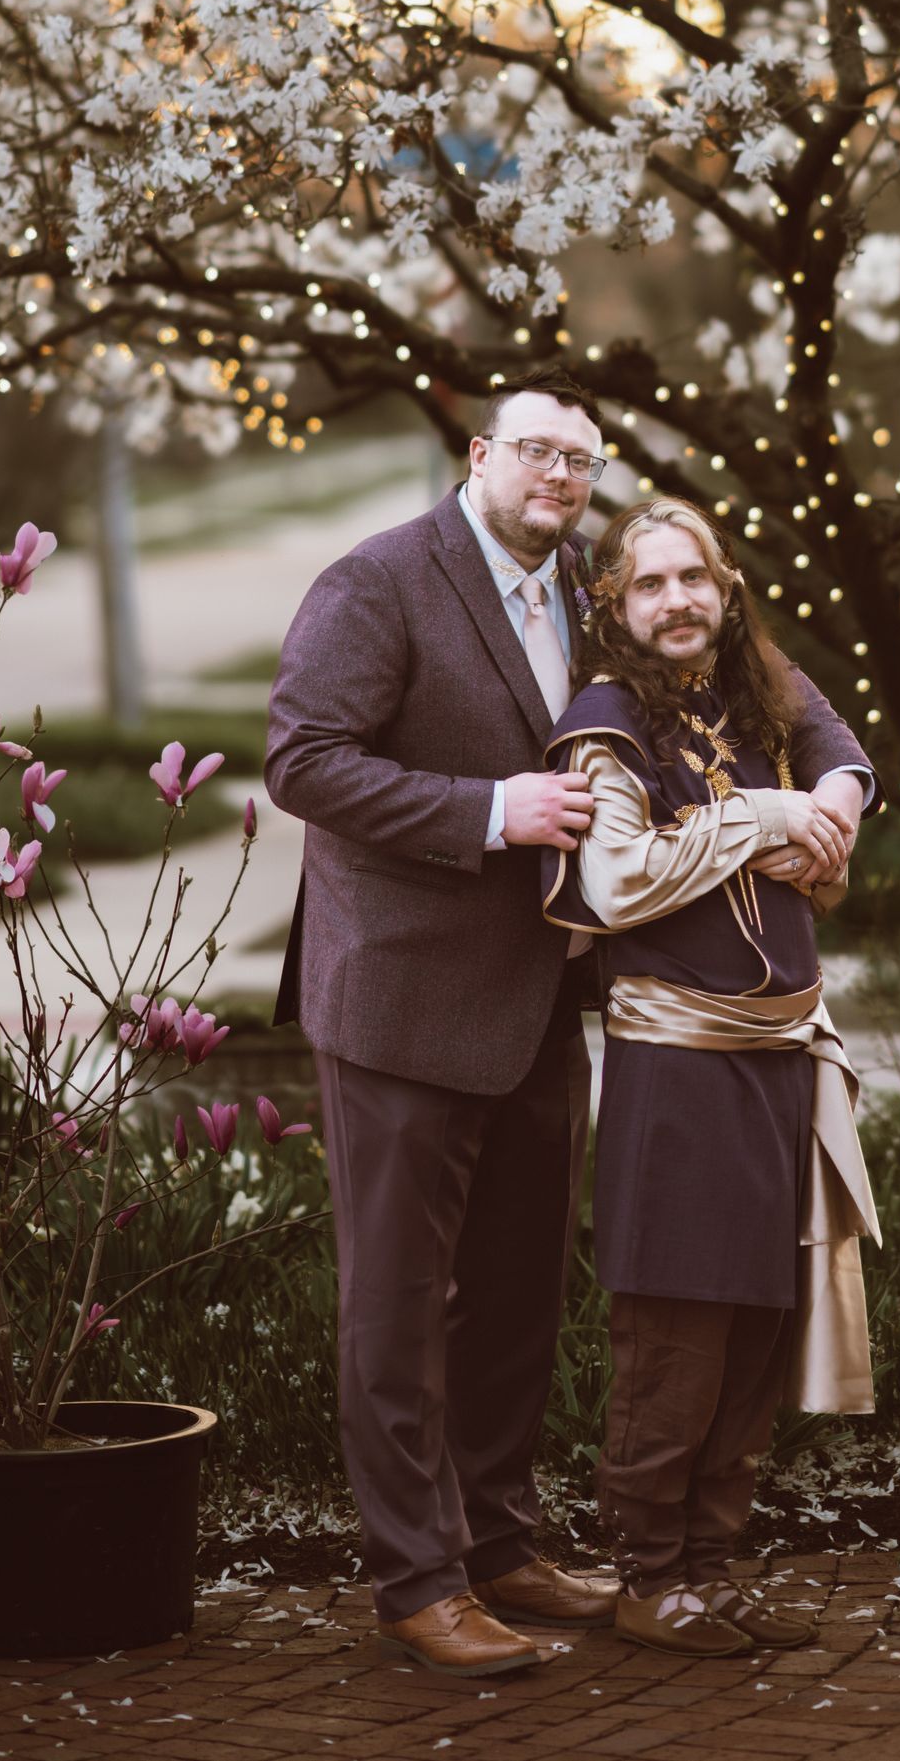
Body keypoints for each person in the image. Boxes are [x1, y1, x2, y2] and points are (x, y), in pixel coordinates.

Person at [265, 373, 615, 1674]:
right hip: (403, 1004)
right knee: (401, 1307)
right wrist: (491, 812)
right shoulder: (380, 581)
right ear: (480, 454)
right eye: (536, 451)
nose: (558, 478)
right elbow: (302, 760)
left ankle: (498, 1542)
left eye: (579, 460)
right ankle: (418, 1580)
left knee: (523, 1293)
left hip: (538, 1001)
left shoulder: (583, 589)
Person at [542, 498, 879, 1659]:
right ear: (615, 605)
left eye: (696, 577)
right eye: (650, 583)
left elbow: (835, 742)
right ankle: (647, 1576)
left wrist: (829, 797)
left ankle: (712, 1570)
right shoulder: (607, 718)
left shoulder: (753, 688)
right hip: (678, 1072)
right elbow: (621, 880)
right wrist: (763, 816)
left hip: (782, 1062)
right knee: (677, 1338)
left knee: (752, 1333)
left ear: (726, 587)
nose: (677, 600)